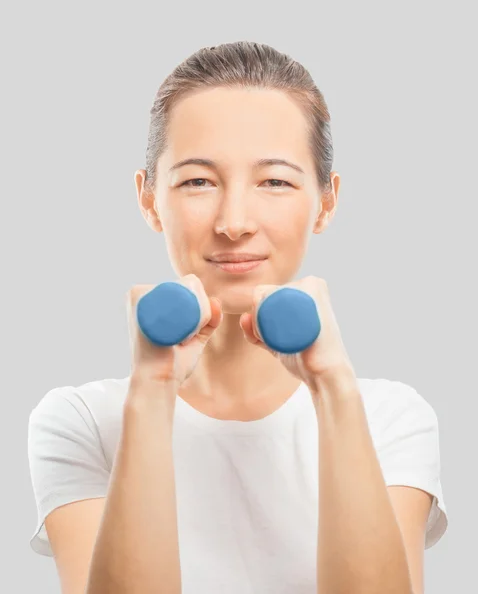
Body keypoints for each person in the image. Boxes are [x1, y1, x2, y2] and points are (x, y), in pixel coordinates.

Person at [28, 41, 448, 593]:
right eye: (198, 181)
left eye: (274, 180)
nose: (234, 222)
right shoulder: (80, 420)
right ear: (149, 199)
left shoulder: (391, 418)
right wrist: (151, 391)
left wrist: (333, 388)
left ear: (326, 200)